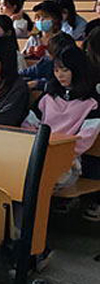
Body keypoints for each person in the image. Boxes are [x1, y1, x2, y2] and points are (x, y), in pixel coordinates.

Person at [23, 47, 100, 195]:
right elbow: (28, 124)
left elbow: (84, 139)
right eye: (56, 70)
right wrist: (37, 148)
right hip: (37, 153)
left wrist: (54, 151)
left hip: (66, 161)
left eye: (65, 70)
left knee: (35, 179)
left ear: (77, 70)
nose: (60, 75)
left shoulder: (92, 103)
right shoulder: (49, 96)